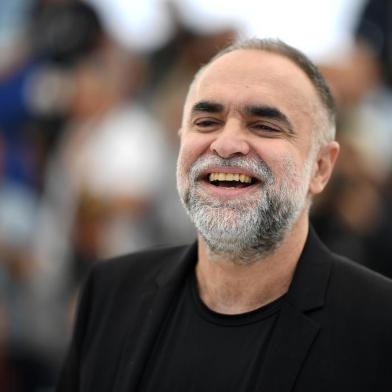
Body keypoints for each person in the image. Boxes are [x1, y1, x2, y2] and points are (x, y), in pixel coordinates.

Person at [56, 38, 392, 392]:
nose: (226, 144)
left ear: (321, 168)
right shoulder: (108, 294)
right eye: (206, 121)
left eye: (264, 125)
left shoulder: (379, 322)